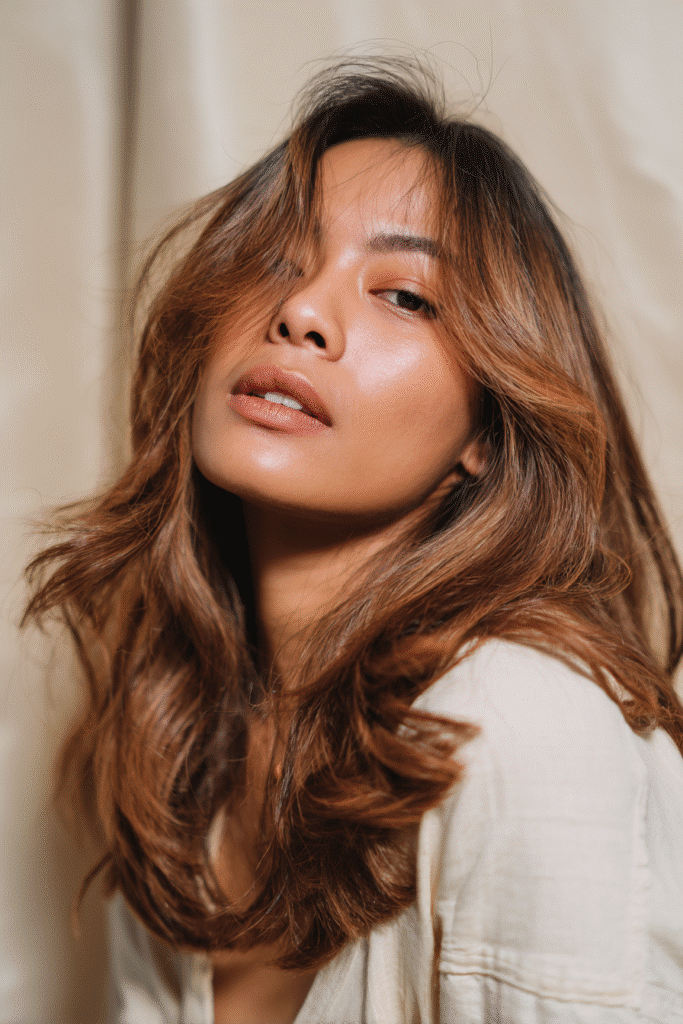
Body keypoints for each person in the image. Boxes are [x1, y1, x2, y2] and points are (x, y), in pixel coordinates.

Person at [24, 56, 683, 1023]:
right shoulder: (181, 750)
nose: (299, 313)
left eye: (405, 295)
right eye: (276, 260)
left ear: (485, 433)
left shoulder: (521, 728)